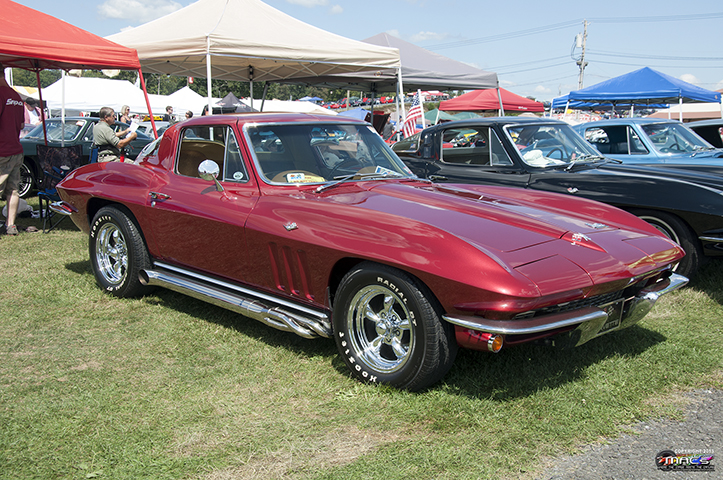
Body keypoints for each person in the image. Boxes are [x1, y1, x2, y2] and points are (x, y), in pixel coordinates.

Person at [0, 63, 25, 236]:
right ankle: (11, 225)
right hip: (16, 149)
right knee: (13, 190)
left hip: (2, 150)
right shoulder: (16, 96)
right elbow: (22, 125)